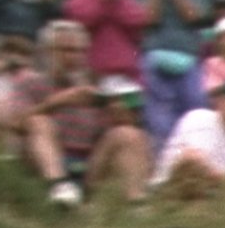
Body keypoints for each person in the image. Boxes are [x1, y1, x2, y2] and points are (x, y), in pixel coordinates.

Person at [20, 20, 151, 207]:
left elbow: (108, 135)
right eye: (66, 50)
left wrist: (117, 116)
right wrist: (58, 101)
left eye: (80, 51)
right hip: (47, 160)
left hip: (89, 165)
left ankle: (137, 203)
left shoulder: (94, 86)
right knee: (38, 121)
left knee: (129, 134)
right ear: (48, 52)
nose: (74, 57)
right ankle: (59, 186)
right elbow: (16, 123)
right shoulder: (32, 82)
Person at [135, 0, 212, 147]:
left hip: (189, 58)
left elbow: (192, 17)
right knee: (159, 115)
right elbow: (150, 18)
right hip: (154, 57)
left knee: (195, 111)